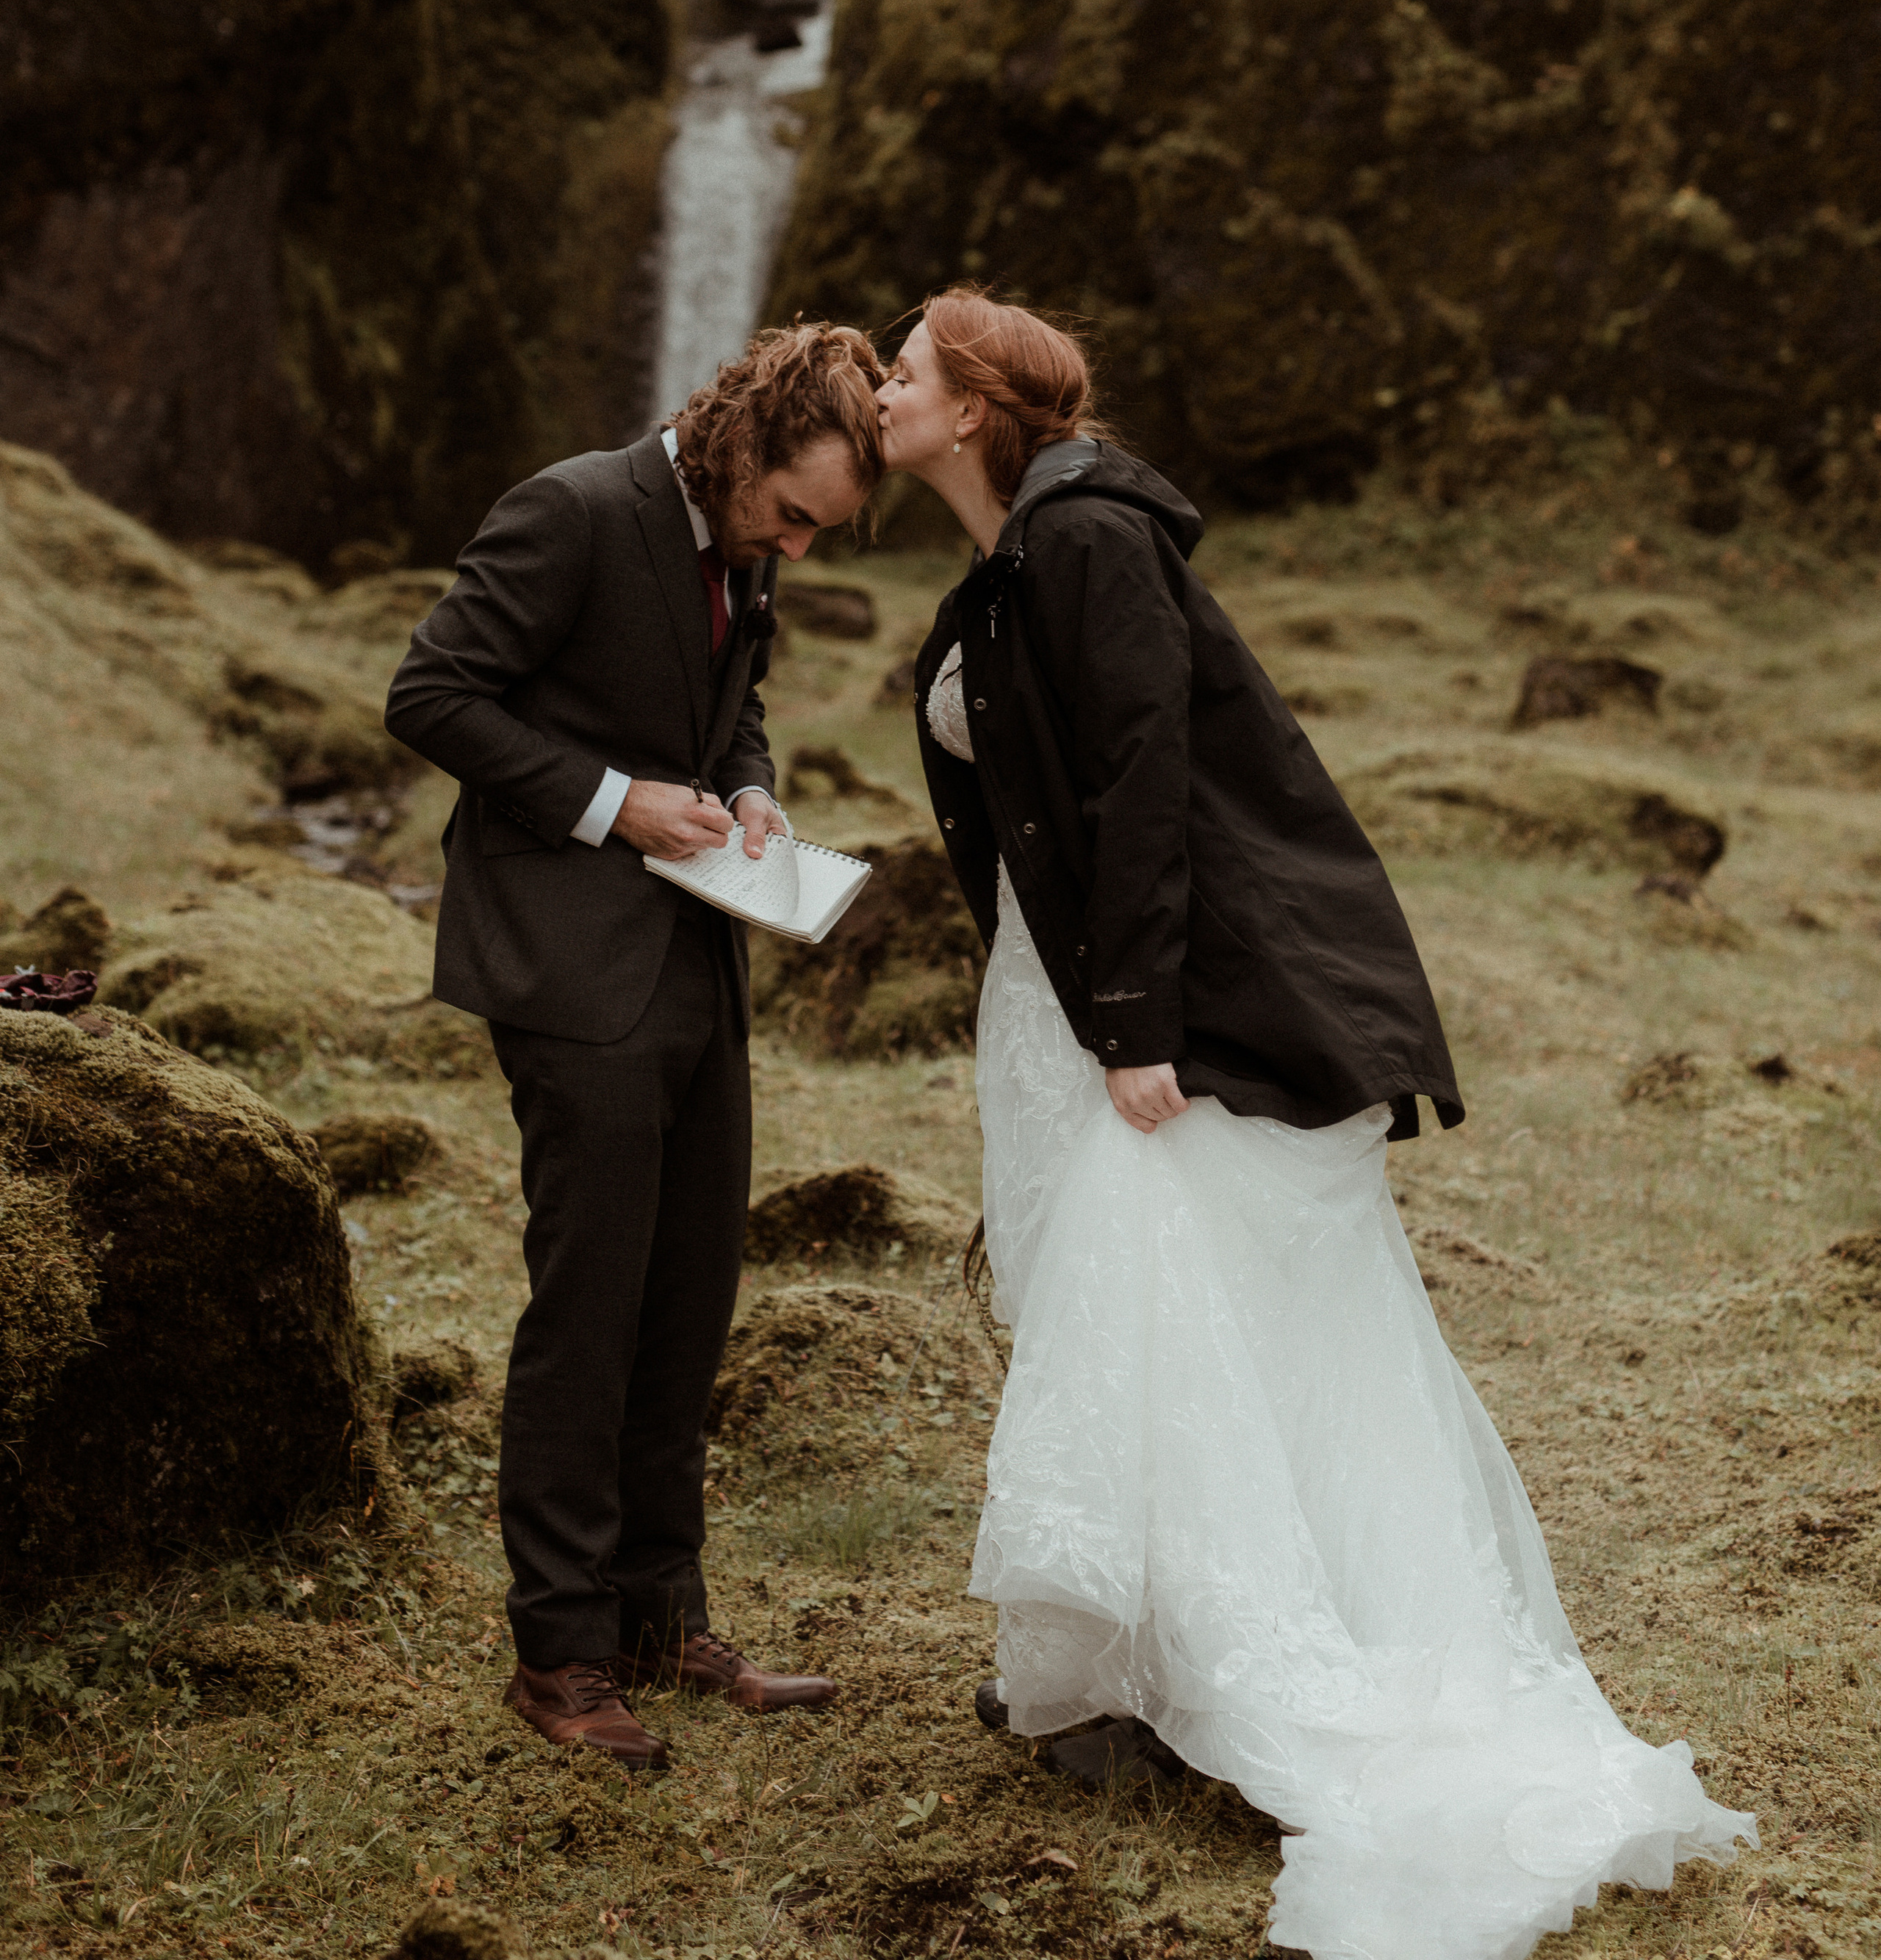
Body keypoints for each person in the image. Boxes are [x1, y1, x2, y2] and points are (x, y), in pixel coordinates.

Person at [878, 287, 1755, 1960]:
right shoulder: (1011, 561)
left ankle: (1217, 1667)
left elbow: (1146, 777)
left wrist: (1135, 1024)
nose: (880, 392)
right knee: (1111, 1313)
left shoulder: (1082, 545)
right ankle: (1109, 1674)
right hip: (1052, 1002)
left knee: (1172, 1315)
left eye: (907, 374)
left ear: (980, 407)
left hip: (1138, 1011)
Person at [385, 323, 884, 1768]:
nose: (793, 540)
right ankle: (561, 1655)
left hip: (693, 957)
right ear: (738, 448)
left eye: (816, 528)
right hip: (566, 962)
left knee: (686, 1297)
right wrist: (614, 800)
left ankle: (663, 1620)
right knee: (588, 1306)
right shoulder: (571, 510)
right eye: (789, 514)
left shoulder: (752, 537)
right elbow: (430, 694)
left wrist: (747, 787)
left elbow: (737, 707)